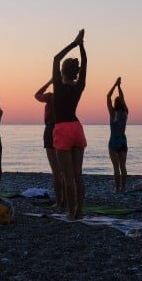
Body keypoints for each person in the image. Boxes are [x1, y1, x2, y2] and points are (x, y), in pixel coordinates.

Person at [52, 29, 87, 220]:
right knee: (78, 175)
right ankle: (79, 210)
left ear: (62, 71)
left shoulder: (58, 85)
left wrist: (74, 43)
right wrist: (82, 46)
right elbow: (86, 65)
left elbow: (56, 58)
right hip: (77, 127)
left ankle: (72, 213)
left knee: (68, 176)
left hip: (63, 129)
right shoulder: (79, 86)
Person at [34, 79, 64, 207]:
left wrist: (49, 82)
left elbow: (37, 95)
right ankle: (66, 199)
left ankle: (59, 201)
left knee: (56, 170)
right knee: (65, 169)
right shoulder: (66, 97)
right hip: (64, 129)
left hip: (52, 129)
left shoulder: (51, 97)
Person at [107, 77, 129, 193]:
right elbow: (123, 99)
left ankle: (117, 188)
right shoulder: (125, 112)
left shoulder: (112, 113)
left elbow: (108, 97)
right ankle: (123, 187)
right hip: (123, 141)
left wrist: (115, 85)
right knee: (123, 166)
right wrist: (119, 87)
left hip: (114, 141)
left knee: (116, 167)